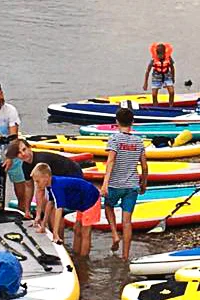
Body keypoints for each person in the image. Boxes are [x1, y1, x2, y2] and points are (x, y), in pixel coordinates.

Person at [100, 107, 150, 257]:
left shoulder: (114, 139)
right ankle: (125, 256)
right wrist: (144, 183)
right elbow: (145, 166)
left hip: (115, 184)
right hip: (132, 185)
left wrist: (104, 183)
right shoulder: (139, 141)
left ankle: (115, 234)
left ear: (116, 122)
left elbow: (111, 161)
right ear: (132, 122)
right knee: (127, 222)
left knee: (108, 206)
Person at [30, 162, 101, 257]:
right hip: (81, 202)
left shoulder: (57, 186)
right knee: (77, 229)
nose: (37, 185)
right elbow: (50, 204)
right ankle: (76, 256)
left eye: (38, 181)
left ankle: (83, 261)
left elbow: (59, 209)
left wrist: (55, 234)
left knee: (85, 232)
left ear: (46, 177)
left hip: (91, 199)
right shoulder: (49, 186)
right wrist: (43, 225)